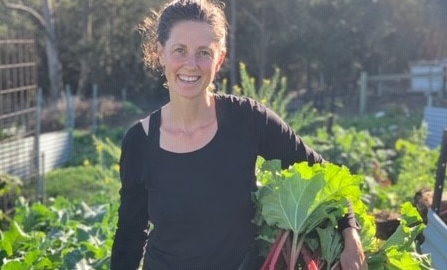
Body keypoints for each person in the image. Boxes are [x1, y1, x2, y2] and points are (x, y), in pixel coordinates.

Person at [111, 0, 367, 269]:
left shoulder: (248, 119)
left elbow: (324, 174)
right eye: (179, 50)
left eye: (204, 52)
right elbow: (130, 235)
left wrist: (350, 233)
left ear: (219, 58)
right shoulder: (140, 141)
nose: (191, 64)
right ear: (161, 53)